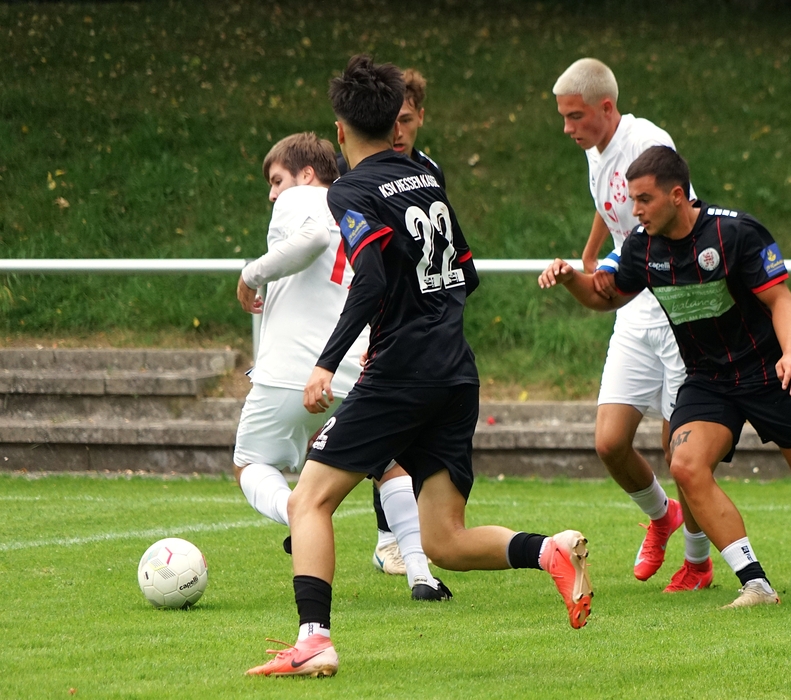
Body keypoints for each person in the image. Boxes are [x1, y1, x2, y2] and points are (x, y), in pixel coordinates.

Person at [247, 55, 593, 679]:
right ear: (396, 122)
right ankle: (552, 551)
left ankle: (313, 640)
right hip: (455, 369)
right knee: (444, 541)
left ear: (340, 130)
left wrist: (327, 363)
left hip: (401, 372)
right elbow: (466, 272)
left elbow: (372, 279)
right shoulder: (426, 176)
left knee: (309, 501)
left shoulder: (349, 190)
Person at [539, 145, 791, 608]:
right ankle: (756, 584)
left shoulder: (734, 233)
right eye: (633, 200)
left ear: (677, 196)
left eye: (644, 199)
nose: (635, 211)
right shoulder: (642, 245)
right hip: (707, 379)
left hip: (769, 374)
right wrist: (571, 278)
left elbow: (781, 299)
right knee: (685, 464)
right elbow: (607, 297)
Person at [233, 132, 442, 600]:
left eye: (277, 180)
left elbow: (309, 239)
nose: (273, 194)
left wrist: (250, 273)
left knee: (249, 464)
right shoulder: (361, 202)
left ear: (307, 174)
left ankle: (297, 514)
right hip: (356, 365)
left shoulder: (302, 198)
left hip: (294, 369)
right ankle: (421, 573)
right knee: (388, 466)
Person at [553, 57, 711, 592]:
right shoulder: (596, 149)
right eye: (564, 117)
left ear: (606, 107)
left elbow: (669, 214)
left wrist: (617, 263)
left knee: (679, 448)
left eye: (575, 116)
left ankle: (697, 562)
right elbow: (612, 206)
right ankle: (662, 517)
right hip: (635, 304)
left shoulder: (647, 142)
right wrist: (592, 252)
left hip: (675, 300)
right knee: (609, 442)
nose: (567, 128)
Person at [336, 67, 446, 579]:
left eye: (407, 120)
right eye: (392, 120)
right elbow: (366, 267)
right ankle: (390, 538)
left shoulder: (428, 171)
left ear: (420, 117)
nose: (398, 131)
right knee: (380, 429)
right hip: (365, 309)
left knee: (409, 431)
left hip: (415, 322)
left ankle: (418, 538)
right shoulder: (349, 174)